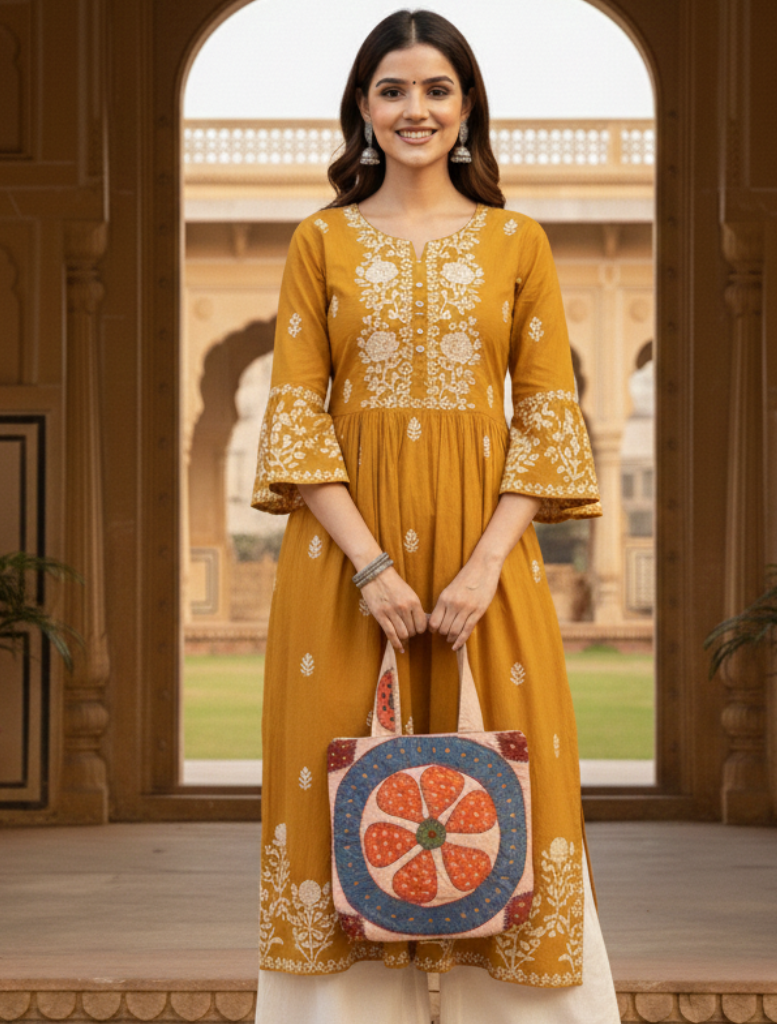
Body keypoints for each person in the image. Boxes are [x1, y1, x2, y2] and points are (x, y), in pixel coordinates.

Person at [251, 10, 620, 1023]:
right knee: (334, 768)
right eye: (393, 90)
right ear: (363, 110)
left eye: (435, 89)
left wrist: (481, 566)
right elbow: (295, 420)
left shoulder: (518, 243)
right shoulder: (319, 241)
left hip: (486, 567)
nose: (415, 109)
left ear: (466, 109)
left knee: (508, 763)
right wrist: (371, 567)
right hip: (341, 565)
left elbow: (547, 420)